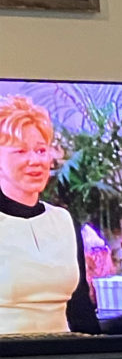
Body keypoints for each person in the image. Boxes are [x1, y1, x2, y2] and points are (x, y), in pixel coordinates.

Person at [0, 94, 93, 335]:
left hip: (64, 357)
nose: (35, 161)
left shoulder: (63, 220)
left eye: (41, 150)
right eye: (20, 151)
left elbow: (80, 307)